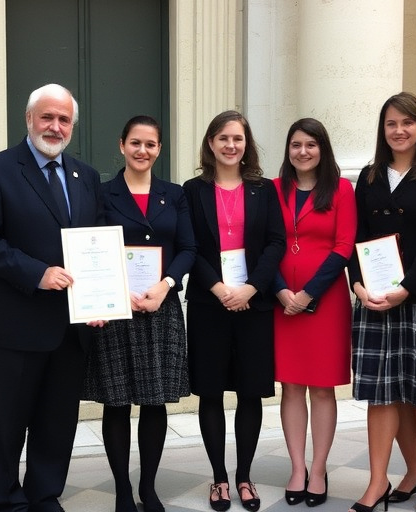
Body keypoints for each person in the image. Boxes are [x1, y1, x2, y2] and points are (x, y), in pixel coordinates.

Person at [0, 83, 104, 512]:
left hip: (70, 326)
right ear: (29, 119)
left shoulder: (87, 176)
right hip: (16, 323)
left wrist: (102, 300)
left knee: (57, 422)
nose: (55, 126)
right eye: (47, 117)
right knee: (7, 425)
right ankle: (6, 502)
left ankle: (45, 495)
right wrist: (37, 274)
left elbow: (96, 243)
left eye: (64, 119)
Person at [346, 92, 416, 512]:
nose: (399, 130)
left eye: (407, 123)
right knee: (382, 393)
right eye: (391, 123)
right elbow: (355, 238)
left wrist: (407, 287)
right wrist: (357, 285)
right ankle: (379, 480)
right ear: (383, 129)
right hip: (374, 300)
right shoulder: (370, 175)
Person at [82, 115, 196, 512]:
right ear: (122, 145)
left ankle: (148, 487)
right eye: (135, 143)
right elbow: (91, 245)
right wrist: (111, 293)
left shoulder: (175, 194)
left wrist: (166, 285)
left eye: (150, 144)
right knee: (116, 402)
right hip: (117, 309)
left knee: (155, 401)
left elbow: (188, 249)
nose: (142, 151)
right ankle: (121, 491)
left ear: (159, 149)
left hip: (160, 307)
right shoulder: (103, 193)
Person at [182, 110, 286, 512]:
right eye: (223, 138)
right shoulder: (192, 190)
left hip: (254, 304)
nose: (230, 145)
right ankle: (219, 479)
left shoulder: (264, 189)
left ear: (247, 144)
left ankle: (244, 475)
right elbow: (189, 246)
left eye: (238, 139)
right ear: (211, 143)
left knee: (249, 392)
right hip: (210, 303)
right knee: (210, 392)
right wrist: (221, 287)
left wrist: (250, 288)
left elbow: (276, 243)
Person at [270, 118, 356, 508]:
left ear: (323, 149)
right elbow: (264, 245)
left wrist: (306, 294)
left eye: (311, 145)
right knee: (290, 385)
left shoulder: (341, 189)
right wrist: (282, 291)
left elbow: (343, 247)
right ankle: (296, 468)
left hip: (325, 302)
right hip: (282, 302)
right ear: (288, 151)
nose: (302, 152)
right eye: (295, 145)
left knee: (321, 388)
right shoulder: (274, 190)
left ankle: (318, 468)